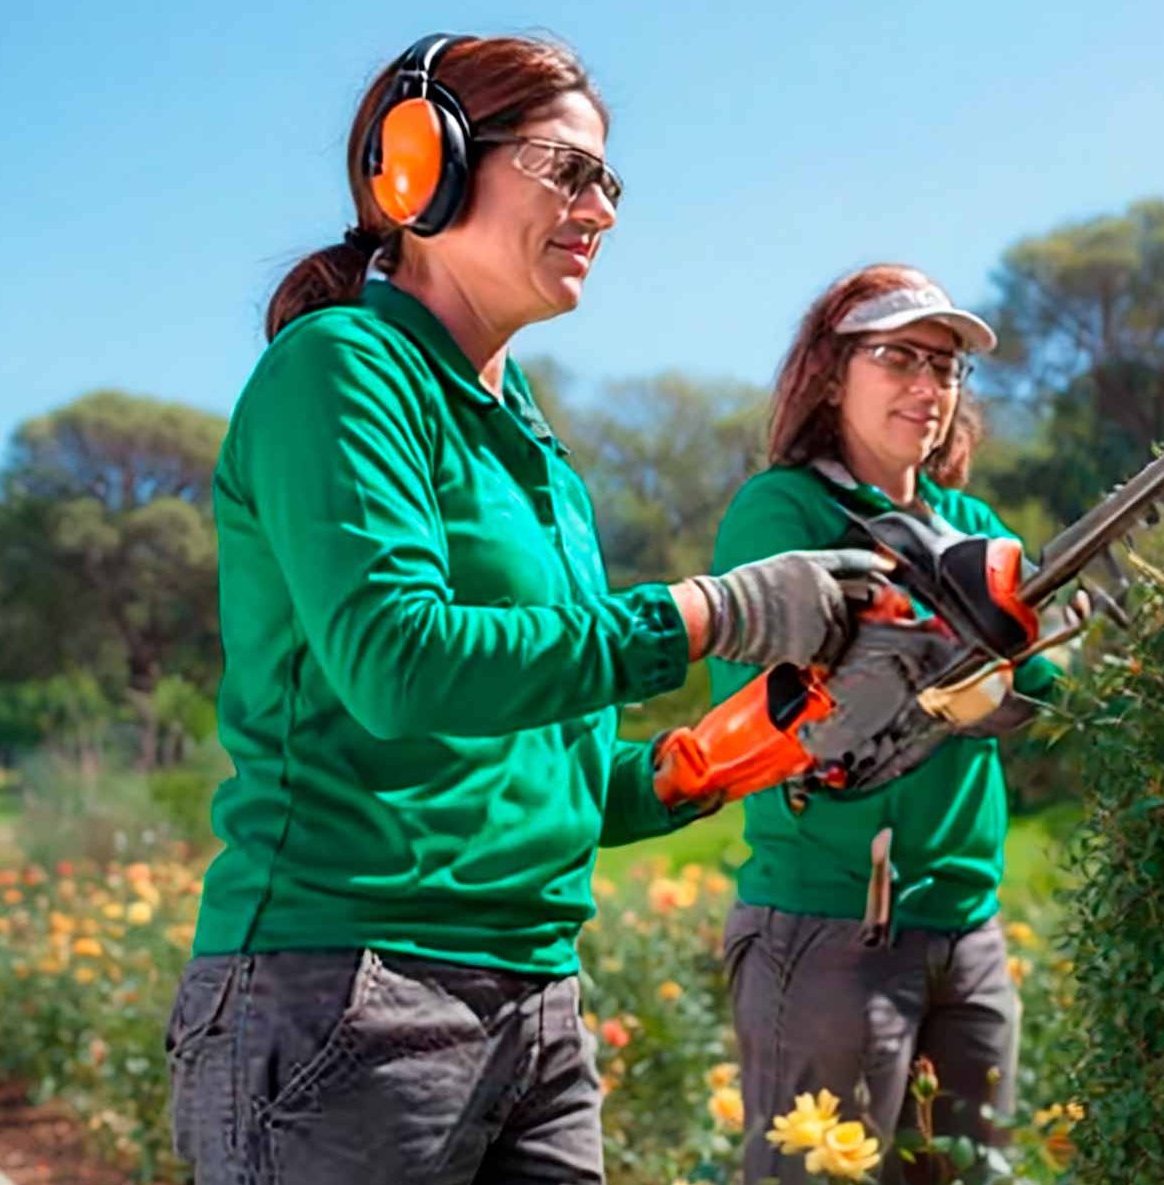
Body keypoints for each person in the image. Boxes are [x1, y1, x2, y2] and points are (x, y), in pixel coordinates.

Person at [163, 33, 881, 1185]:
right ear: (421, 168)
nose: (599, 208)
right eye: (567, 169)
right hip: (345, 991)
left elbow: (546, 768)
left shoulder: (539, 454)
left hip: (538, 1004)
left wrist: (745, 752)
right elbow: (399, 665)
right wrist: (712, 613)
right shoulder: (341, 371)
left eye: (608, 182)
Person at [709, 265, 1066, 1184]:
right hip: (832, 929)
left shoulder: (974, 526)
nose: (928, 387)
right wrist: (929, 637)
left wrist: (1009, 667)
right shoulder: (784, 509)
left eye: (946, 368)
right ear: (833, 373)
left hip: (969, 928)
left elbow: (1051, 678)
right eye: (899, 358)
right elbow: (759, 679)